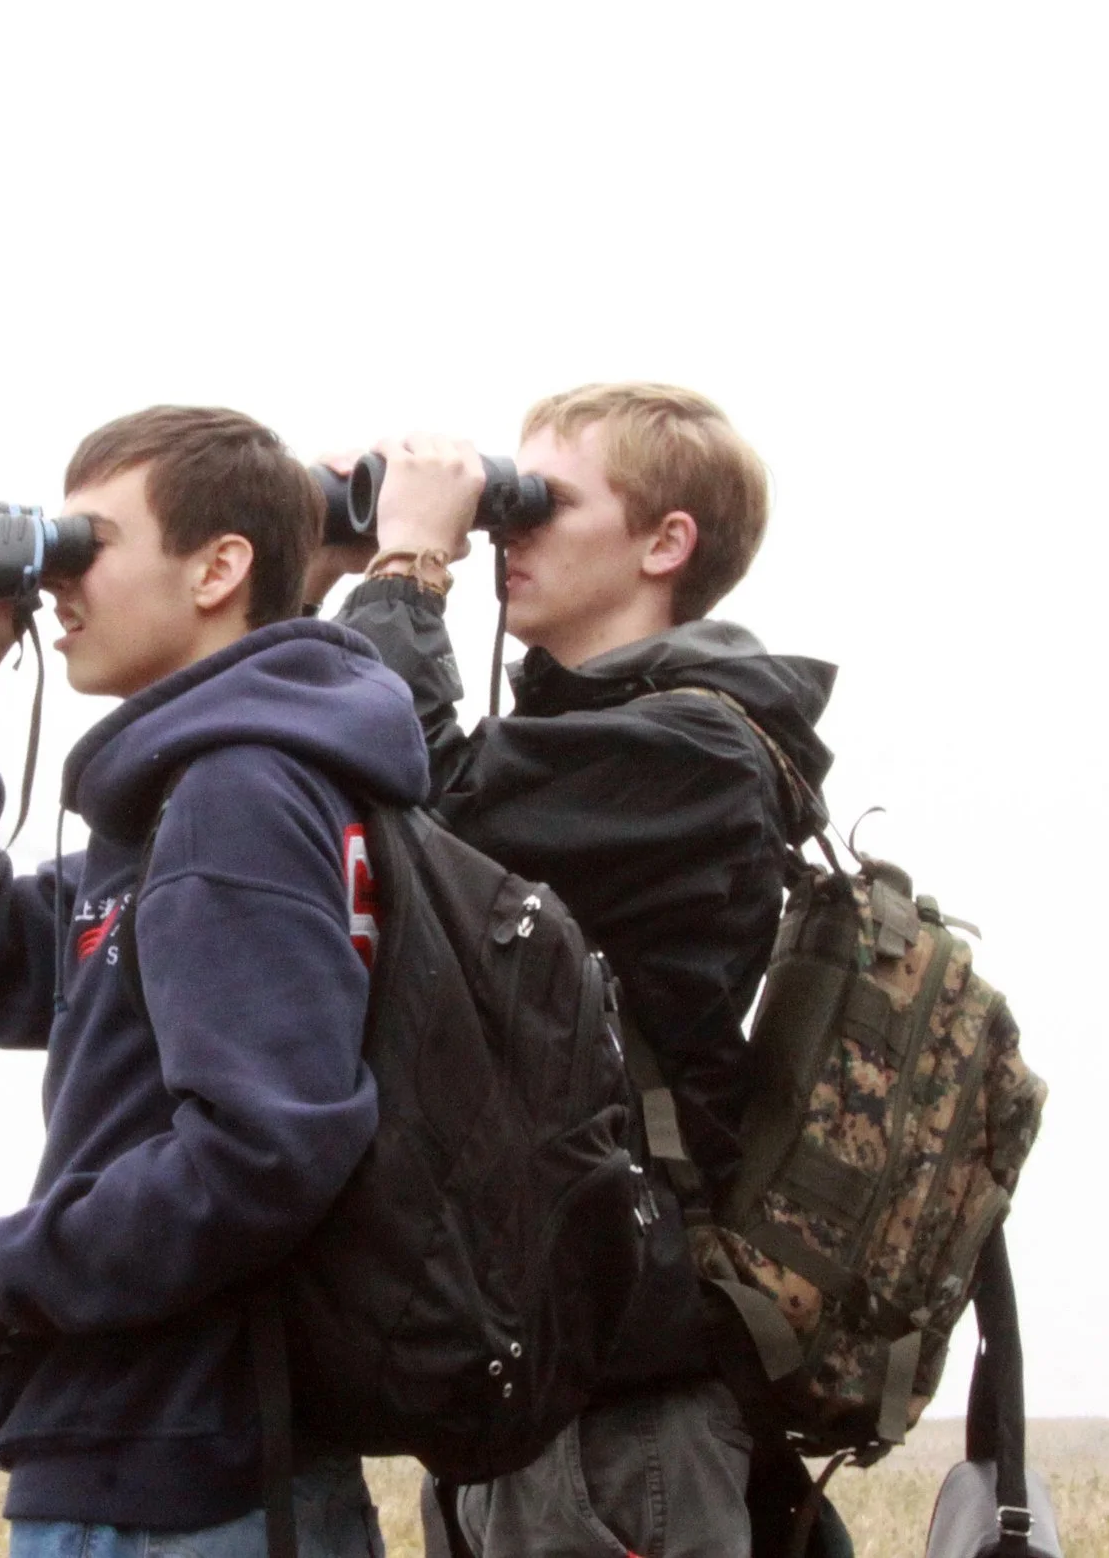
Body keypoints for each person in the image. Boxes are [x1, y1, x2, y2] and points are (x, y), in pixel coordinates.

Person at [0, 406, 428, 1558]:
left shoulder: (239, 794)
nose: (56, 582)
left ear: (218, 569)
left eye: (92, 544)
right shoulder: (182, 804)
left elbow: (260, 1152)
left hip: (185, 1479)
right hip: (157, 1457)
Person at [310, 384, 838, 1558]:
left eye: (543, 502)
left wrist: (407, 567)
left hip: (621, 1411)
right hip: (530, 1385)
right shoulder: (590, 737)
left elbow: (419, 800)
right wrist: (311, 576)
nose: (508, 528)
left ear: (665, 542)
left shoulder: (694, 749)